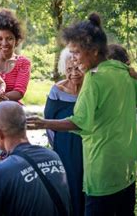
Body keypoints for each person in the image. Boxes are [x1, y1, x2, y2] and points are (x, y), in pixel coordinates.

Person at [27, 13, 137, 216]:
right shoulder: (121, 70)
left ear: (94, 51)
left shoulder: (93, 79)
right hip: (126, 168)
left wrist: (44, 122)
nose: (74, 59)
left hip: (102, 169)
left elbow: (80, 123)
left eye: (76, 53)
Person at [44, 48, 85, 216]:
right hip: (65, 148)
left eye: (78, 68)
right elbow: (49, 123)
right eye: (69, 69)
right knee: (70, 185)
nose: (74, 73)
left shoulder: (91, 88)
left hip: (89, 145)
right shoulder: (57, 91)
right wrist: (58, 148)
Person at [107, 44, 137, 167]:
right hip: (115, 112)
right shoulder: (105, 75)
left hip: (132, 111)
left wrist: (134, 75)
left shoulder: (129, 73)